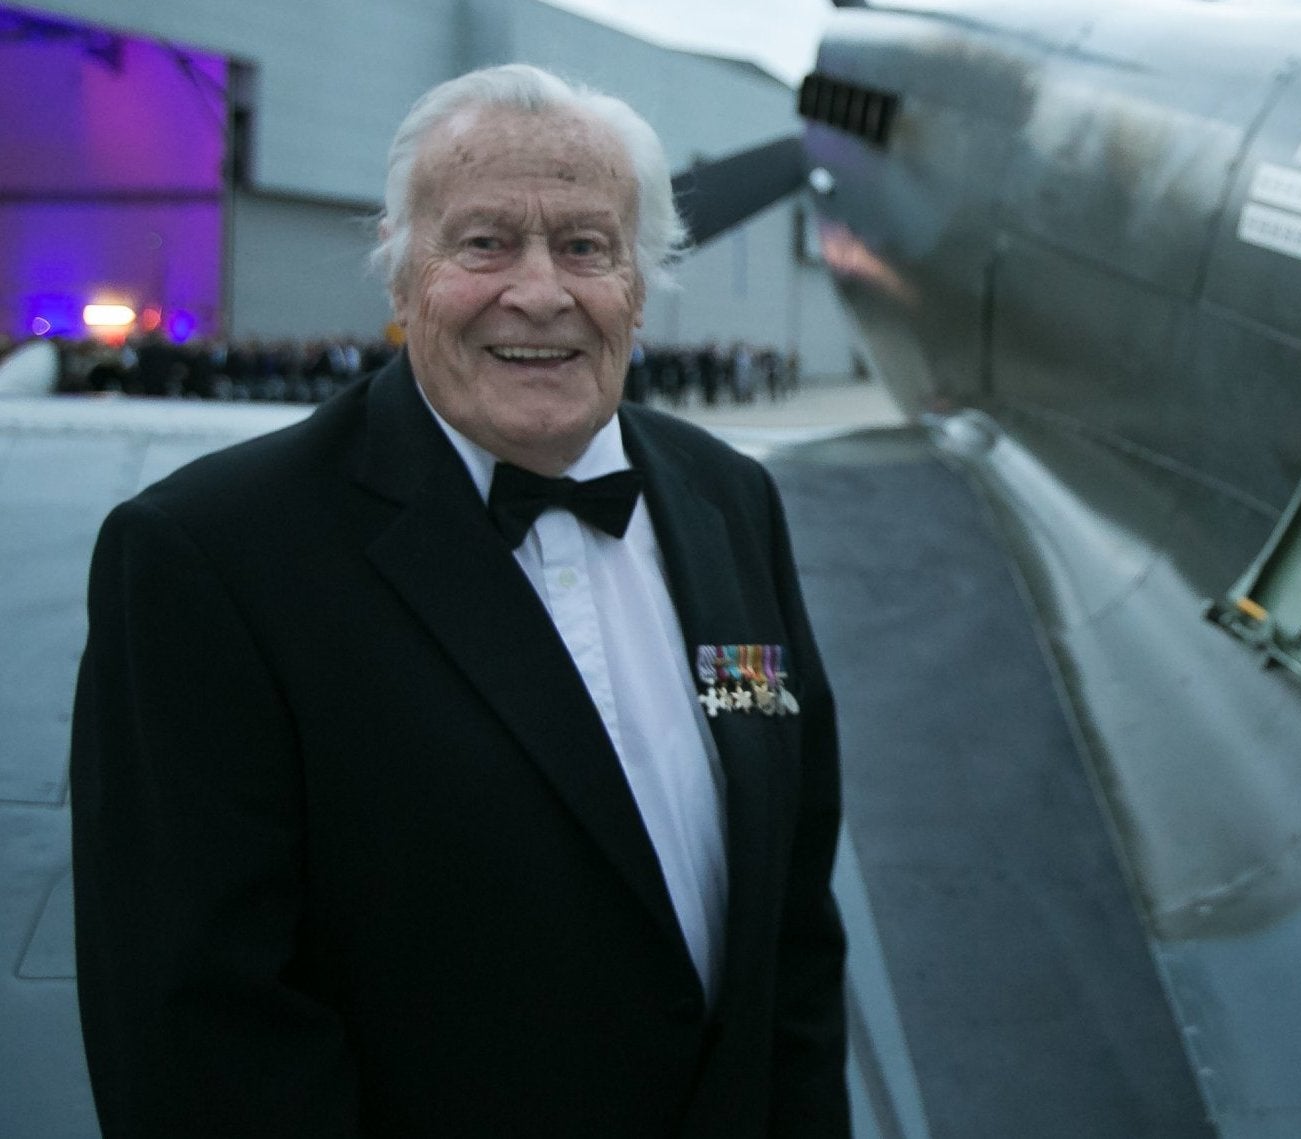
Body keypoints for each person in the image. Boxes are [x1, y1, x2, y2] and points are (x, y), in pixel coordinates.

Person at [72, 65, 849, 1137]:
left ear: (640, 277)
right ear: (400, 275)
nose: (539, 291)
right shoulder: (210, 555)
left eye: (585, 245)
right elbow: (198, 1024)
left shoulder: (730, 499)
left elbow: (792, 920)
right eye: (484, 242)